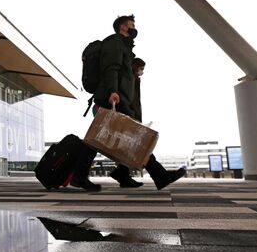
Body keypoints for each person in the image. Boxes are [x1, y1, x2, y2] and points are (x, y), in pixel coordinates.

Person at [74, 15, 186, 190]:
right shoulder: (115, 42)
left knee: (102, 137)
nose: (134, 28)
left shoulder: (124, 45)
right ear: (123, 27)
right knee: (135, 135)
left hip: (117, 96)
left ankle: (110, 175)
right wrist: (113, 91)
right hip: (112, 96)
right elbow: (111, 67)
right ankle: (159, 175)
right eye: (132, 25)